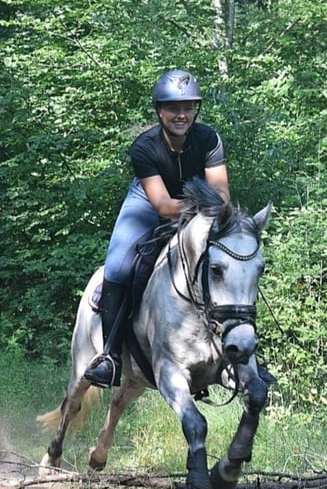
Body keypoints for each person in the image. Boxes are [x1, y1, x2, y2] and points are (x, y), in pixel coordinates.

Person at [84, 69, 231, 388]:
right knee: (119, 267)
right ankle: (110, 358)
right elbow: (164, 206)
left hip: (198, 206)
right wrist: (204, 207)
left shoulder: (209, 140)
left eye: (188, 107)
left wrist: (212, 211)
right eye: (173, 108)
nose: (181, 115)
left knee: (235, 261)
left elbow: (221, 195)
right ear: (159, 110)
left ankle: (237, 359)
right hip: (150, 203)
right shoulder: (144, 147)